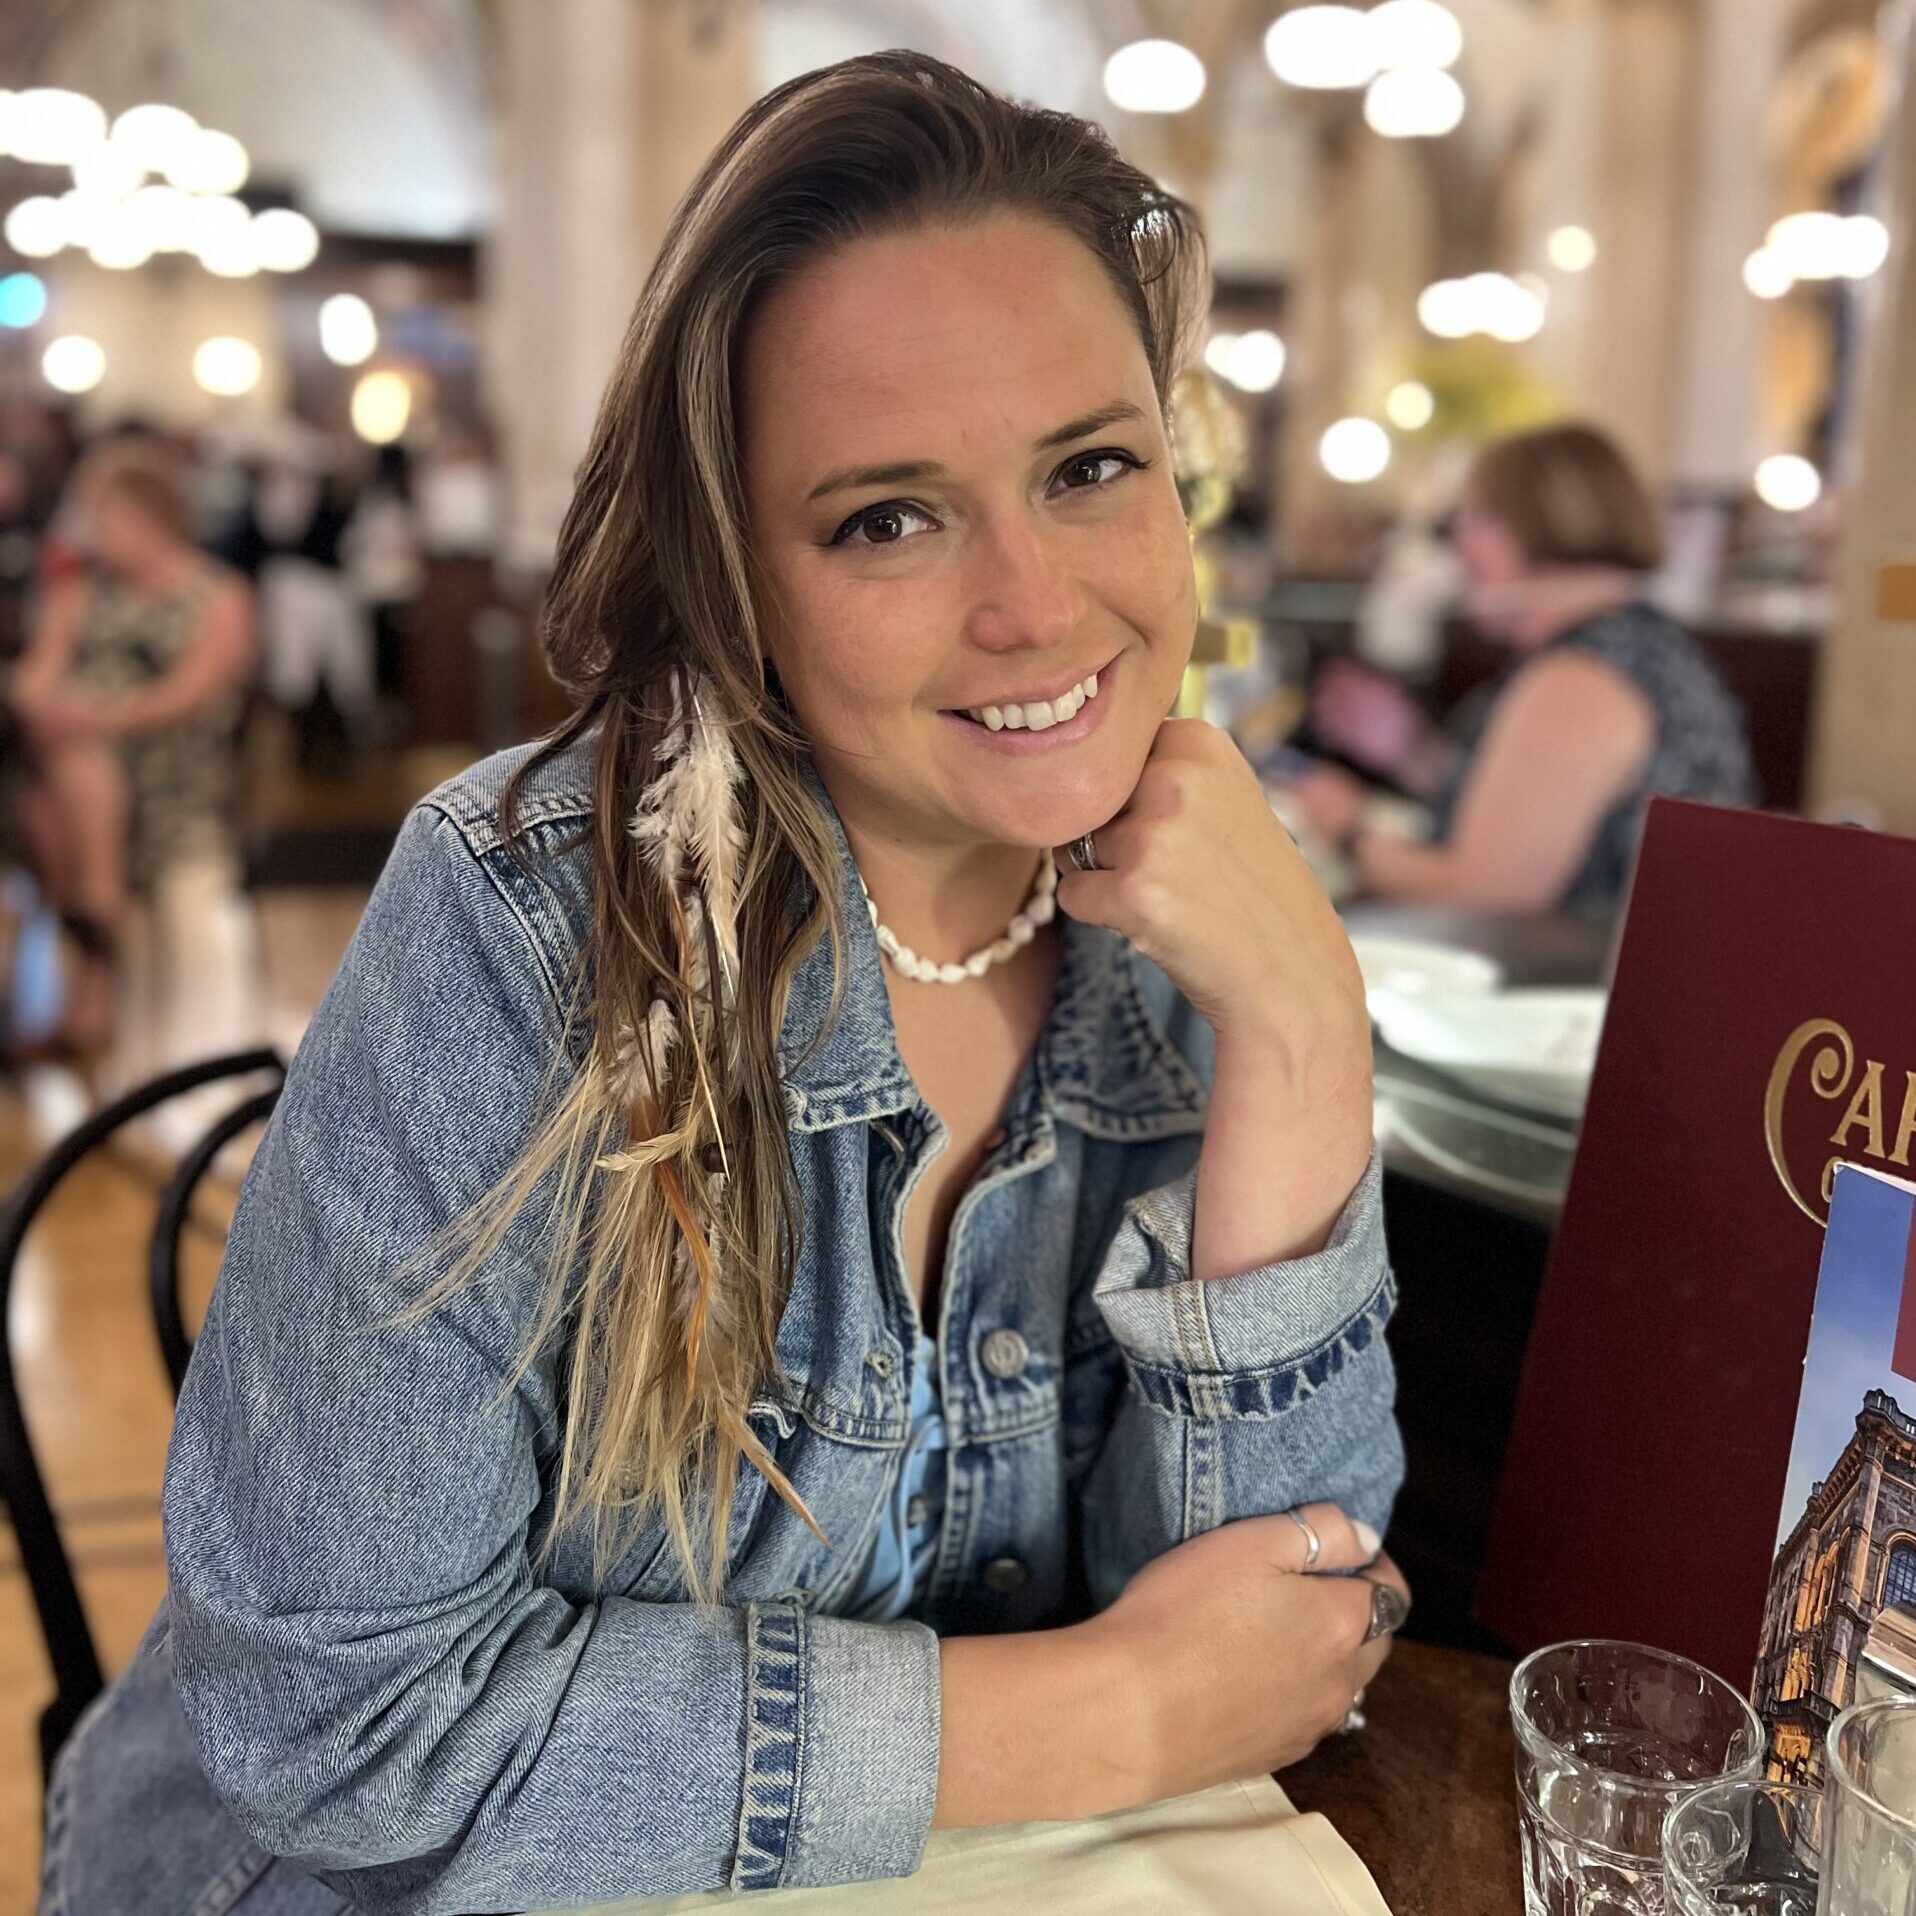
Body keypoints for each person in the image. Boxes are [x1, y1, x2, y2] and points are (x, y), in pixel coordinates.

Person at [43, 52, 1405, 1913]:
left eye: (1090, 466)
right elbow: (350, 1729)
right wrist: (1107, 1705)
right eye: (886, 518)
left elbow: (1280, 1636)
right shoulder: (529, 923)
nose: (1034, 603)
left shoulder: (1199, 927)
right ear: (730, 577)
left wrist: (1304, 1032)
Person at [1293, 423, 1757, 915]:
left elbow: (1488, 898)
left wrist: (1347, 830)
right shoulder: (1641, 644)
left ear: (1544, 520)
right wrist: (1412, 753)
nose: (1460, 543)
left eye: (1476, 517)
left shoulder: (1583, 677)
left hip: (1579, 985)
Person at [5, 439, 253, 1055]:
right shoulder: (83, 592)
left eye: (104, 514)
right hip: (76, 771)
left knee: (71, 780)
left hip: (175, 779)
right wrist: (58, 708)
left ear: (151, 517)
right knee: (65, 784)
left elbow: (189, 694)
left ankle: (91, 961)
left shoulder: (219, 596)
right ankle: (99, 915)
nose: (92, 530)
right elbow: (32, 681)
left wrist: (94, 715)